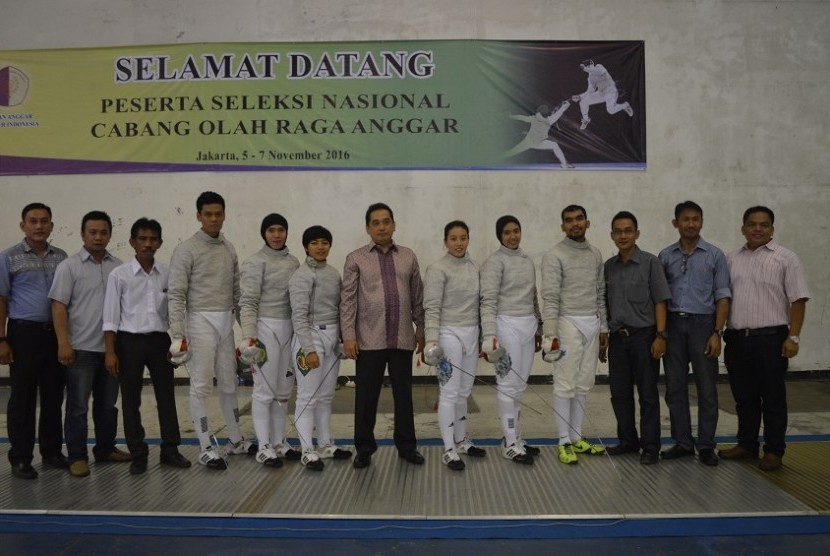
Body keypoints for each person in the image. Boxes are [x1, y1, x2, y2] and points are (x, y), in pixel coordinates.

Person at [721, 206, 809, 472]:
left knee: (772, 397)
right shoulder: (731, 259)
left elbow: (798, 299)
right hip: (737, 339)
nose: (758, 229)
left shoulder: (786, 259)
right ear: (743, 228)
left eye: (764, 224)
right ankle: (747, 444)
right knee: (744, 398)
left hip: (771, 339)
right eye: (752, 224)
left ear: (772, 228)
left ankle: (774, 450)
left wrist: (793, 337)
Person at [167, 191, 250, 470]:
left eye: (218, 214)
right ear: (198, 216)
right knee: (201, 386)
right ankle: (204, 447)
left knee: (228, 382)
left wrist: (247, 332)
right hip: (199, 322)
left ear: (224, 215)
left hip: (225, 321)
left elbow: (238, 294)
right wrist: (177, 335)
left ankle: (236, 440)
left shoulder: (229, 248)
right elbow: (176, 294)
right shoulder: (186, 249)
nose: (214, 219)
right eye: (208, 214)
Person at [102, 218, 191, 475]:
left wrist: (179, 339)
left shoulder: (168, 272)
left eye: (153, 239)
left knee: (166, 396)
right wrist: (110, 351)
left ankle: (170, 450)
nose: (147, 244)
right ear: (132, 242)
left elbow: (176, 309)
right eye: (142, 238)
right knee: (131, 399)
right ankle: (138, 453)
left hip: (160, 341)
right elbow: (110, 317)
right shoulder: (119, 275)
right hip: (128, 342)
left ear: (160, 243)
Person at [340, 202, 425, 469]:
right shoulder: (355, 259)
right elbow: (348, 301)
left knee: (404, 395)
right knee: (366, 396)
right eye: (375, 223)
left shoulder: (408, 256)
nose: (381, 227)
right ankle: (364, 448)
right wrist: (348, 336)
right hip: (368, 338)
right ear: (368, 228)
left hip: (401, 338)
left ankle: (407, 446)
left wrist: (421, 328)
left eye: (386, 221)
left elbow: (417, 298)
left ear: (394, 225)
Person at [49, 211, 131, 477]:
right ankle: (76, 456)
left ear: (109, 234)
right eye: (92, 232)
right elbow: (58, 306)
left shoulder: (119, 267)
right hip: (80, 350)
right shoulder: (69, 267)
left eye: (103, 232)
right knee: (78, 407)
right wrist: (63, 343)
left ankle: (105, 449)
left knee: (108, 405)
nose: (98, 237)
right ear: (83, 234)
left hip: (111, 351)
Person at [658, 201, 731, 467]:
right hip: (674, 327)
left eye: (696, 219)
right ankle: (683, 443)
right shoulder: (665, 256)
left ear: (701, 222)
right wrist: (662, 333)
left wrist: (716, 332)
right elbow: (660, 300)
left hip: (704, 326)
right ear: (675, 223)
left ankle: (706, 445)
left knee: (707, 389)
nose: (691, 224)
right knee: (674, 388)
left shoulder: (714, 255)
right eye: (685, 219)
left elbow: (723, 296)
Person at [1, 203, 68, 480]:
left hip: (54, 336)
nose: (39, 226)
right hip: (23, 335)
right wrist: (1, 339)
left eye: (44, 221)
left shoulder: (62, 258)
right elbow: (1, 300)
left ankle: (51, 453)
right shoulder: (8, 258)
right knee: (23, 399)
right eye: (33, 221)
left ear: (52, 225)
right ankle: (20, 458)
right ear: (23, 226)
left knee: (53, 397)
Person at [541, 204, 608, 465]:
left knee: (583, 384)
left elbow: (600, 292)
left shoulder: (595, 254)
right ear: (563, 226)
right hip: (567, 323)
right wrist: (550, 335)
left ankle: (577, 436)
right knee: (565, 383)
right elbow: (550, 297)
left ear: (587, 223)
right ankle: (563, 441)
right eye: (569, 221)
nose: (575, 224)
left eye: (579, 219)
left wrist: (603, 327)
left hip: (592, 322)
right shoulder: (555, 255)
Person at [603, 211, 671, 465]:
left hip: (645, 337)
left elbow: (661, 301)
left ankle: (651, 446)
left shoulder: (651, 263)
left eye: (628, 230)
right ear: (612, 236)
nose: (623, 235)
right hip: (618, 340)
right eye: (618, 231)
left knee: (648, 394)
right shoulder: (609, 267)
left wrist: (661, 336)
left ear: (637, 234)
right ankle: (628, 441)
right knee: (619, 393)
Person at [238, 213, 300, 468]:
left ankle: (278, 442)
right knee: (264, 392)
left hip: (289, 330)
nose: (276, 234)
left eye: (281, 230)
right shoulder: (255, 262)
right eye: (271, 230)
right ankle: (263, 446)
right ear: (264, 233)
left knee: (283, 392)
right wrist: (249, 337)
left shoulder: (295, 262)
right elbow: (248, 302)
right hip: (265, 331)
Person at [423, 221, 486, 471]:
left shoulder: (474, 267)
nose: (459, 243)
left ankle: (461, 440)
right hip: (448, 334)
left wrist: (482, 337)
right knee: (449, 392)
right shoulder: (438, 269)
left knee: (463, 392)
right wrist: (431, 339)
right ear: (445, 241)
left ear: (468, 239)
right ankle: (448, 447)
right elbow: (432, 306)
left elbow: (480, 305)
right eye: (453, 238)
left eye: (463, 238)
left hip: (471, 334)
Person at [288, 225, 352, 471]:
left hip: (331, 337)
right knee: (307, 397)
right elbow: (298, 316)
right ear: (306, 246)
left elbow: (340, 309)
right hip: (310, 338)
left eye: (325, 242)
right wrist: (309, 349)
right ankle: (306, 450)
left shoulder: (334, 274)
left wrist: (341, 341)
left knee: (326, 396)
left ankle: (325, 444)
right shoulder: (301, 276)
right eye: (314, 243)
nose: (320, 247)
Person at [480, 215, 541, 465]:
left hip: (528, 325)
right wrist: (490, 336)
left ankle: (514, 437)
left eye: (516, 231)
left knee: (520, 385)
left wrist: (539, 327)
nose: (513, 236)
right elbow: (487, 300)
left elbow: (533, 295)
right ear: (499, 235)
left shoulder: (527, 260)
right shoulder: (494, 262)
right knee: (507, 384)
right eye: (507, 232)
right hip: (506, 326)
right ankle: (509, 443)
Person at [505, 102, 574, 168]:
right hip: (538, 143)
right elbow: (561, 111)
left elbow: (521, 117)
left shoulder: (534, 118)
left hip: (528, 141)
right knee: (554, 145)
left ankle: (498, 158)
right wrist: (566, 105)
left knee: (512, 151)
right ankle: (564, 164)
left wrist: (511, 116)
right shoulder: (550, 120)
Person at [572, 59, 634, 130]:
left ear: (592, 65)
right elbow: (590, 91)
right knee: (583, 102)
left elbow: (596, 71)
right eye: (587, 66)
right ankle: (586, 119)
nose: (588, 67)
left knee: (611, 111)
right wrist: (580, 96)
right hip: (601, 93)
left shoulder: (599, 67)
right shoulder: (590, 77)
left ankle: (625, 105)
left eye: (589, 65)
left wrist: (584, 68)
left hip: (611, 92)